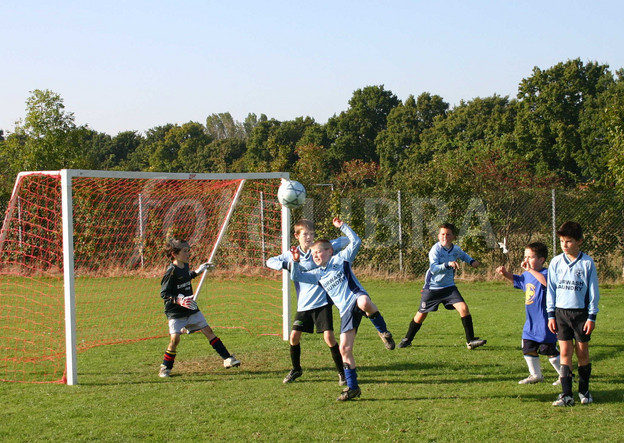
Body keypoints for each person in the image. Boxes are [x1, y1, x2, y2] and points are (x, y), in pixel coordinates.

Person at [290, 217, 395, 401]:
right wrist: (296, 261)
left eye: (319, 252)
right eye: (313, 254)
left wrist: (342, 226)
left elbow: (356, 241)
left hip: (356, 297)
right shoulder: (317, 274)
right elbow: (296, 276)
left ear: (330, 251)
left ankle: (383, 332)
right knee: (344, 349)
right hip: (345, 311)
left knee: (364, 303)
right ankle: (352, 388)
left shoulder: (342, 259)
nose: (315, 256)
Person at [266, 219, 349, 386]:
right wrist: (288, 264)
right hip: (303, 304)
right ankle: (296, 369)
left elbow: (346, 240)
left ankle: (342, 373)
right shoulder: (292, 254)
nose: (309, 237)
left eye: (312, 234)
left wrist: (332, 243)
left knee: (329, 337)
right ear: (297, 236)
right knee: (294, 337)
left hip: (322, 302)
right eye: (305, 234)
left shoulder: (319, 250)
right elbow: (269, 261)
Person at [158, 238, 240, 378]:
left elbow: (185, 278)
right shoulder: (171, 271)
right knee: (175, 340)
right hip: (175, 312)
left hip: (190, 308)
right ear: (174, 254)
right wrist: (179, 300)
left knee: (208, 330)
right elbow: (164, 293)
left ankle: (227, 358)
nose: (188, 253)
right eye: (185, 251)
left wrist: (198, 271)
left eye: (188, 250)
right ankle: (165, 368)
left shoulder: (185, 266)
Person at [398, 222, 486, 350]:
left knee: (463, 308)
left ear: (453, 237)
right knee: (421, 314)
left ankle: (470, 340)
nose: (445, 237)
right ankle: (407, 339)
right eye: (442, 234)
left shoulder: (455, 249)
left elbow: (463, 255)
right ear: (439, 236)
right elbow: (433, 268)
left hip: (449, 288)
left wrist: (472, 262)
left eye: (448, 234)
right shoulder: (436, 249)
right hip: (432, 288)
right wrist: (448, 264)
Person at [547, 221, 599, 406]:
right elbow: (551, 290)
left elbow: (593, 291)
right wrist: (551, 314)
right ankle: (566, 394)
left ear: (579, 241)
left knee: (582, 353)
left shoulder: (587, 262)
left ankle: (584, 391)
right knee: (565, 353)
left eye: (568, 241)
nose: (564, 245)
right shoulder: (555, 262)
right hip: (561, 314)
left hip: (581, 315)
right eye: (561, 241)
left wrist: (592, 316)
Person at [496, 242, 562, 385]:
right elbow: (518, 280)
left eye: (530, 257)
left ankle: (565, 375)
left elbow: (546, 283)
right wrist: (505, 273)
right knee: (528, 347)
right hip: (531, 321)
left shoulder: (546, 273)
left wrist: (531, 271)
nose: (526, 260)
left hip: (545, 321)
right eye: (525, 256)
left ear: (541, 260)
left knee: (549, 350)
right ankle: (536, 375)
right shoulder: (527, 275)